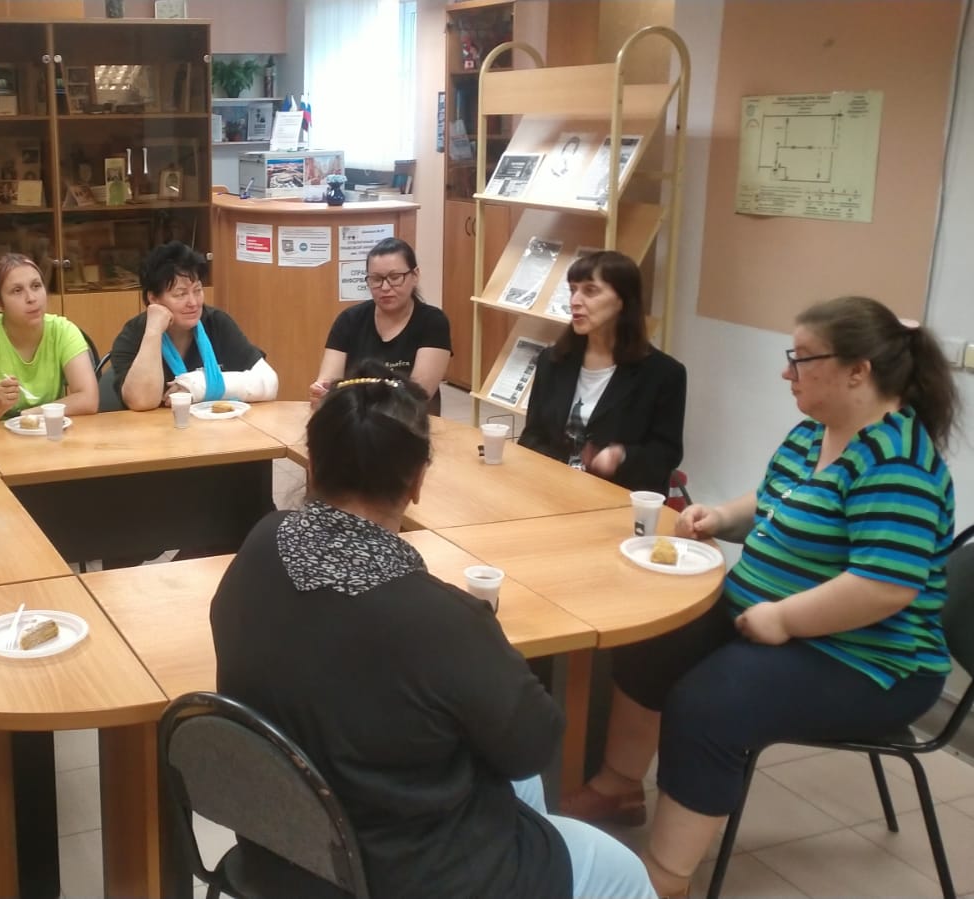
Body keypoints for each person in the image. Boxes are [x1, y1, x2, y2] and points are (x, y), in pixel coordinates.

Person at [564, 296, 959, 897]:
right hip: (771, 617)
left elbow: (884, 588)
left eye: (801, 359)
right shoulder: (813, 433)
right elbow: (775, 502)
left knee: (709, 706)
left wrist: (785, 619)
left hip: (869, 657)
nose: (785, 372)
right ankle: (619, 787)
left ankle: (664, 880)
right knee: (650, 642)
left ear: (858, 371)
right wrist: (721, 517)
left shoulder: (899, 464)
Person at [210, 364, 652, 899]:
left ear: (313, 463)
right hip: (402, 872)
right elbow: (534, 744)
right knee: (624, 873)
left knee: (519, 789)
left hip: (278, 851)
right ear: (417, 481)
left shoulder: (261, 544)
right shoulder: (442, 620)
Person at [518, 251, 686, 495]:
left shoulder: (664, 374)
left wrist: (621, 456)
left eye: (590, 291)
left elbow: (666, 455)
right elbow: (532, 436)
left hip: (618, 498)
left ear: (623, 300)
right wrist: (560, 475)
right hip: (551, 490)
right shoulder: (552, 361)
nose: (575, 301)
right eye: (573, 290)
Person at [110, 241, 278, 410]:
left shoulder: (216, 323)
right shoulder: (134, 334)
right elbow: (141, 401)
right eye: (180, 294)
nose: (193, 303)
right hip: (157, 427)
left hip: (213, 426)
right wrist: (153, 331)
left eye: (197, 290)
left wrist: (198, 386)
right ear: (153, 298)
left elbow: (269, 383)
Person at [0, 253, 97, 422]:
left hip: (42, 430)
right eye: (17, 291)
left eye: (36, 286)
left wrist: (26, 416)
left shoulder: (63, 330)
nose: (31, 298)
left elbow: (88, 399)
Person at [310, 237, 451, 405]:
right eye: (376, 279)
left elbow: (418, 395)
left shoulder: (433, 322)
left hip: (409, 418)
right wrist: (322, 393)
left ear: (415, 276)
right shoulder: (349, 320)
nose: (385, 287)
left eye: (395, 277)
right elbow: (328, 382)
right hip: (356, 417)